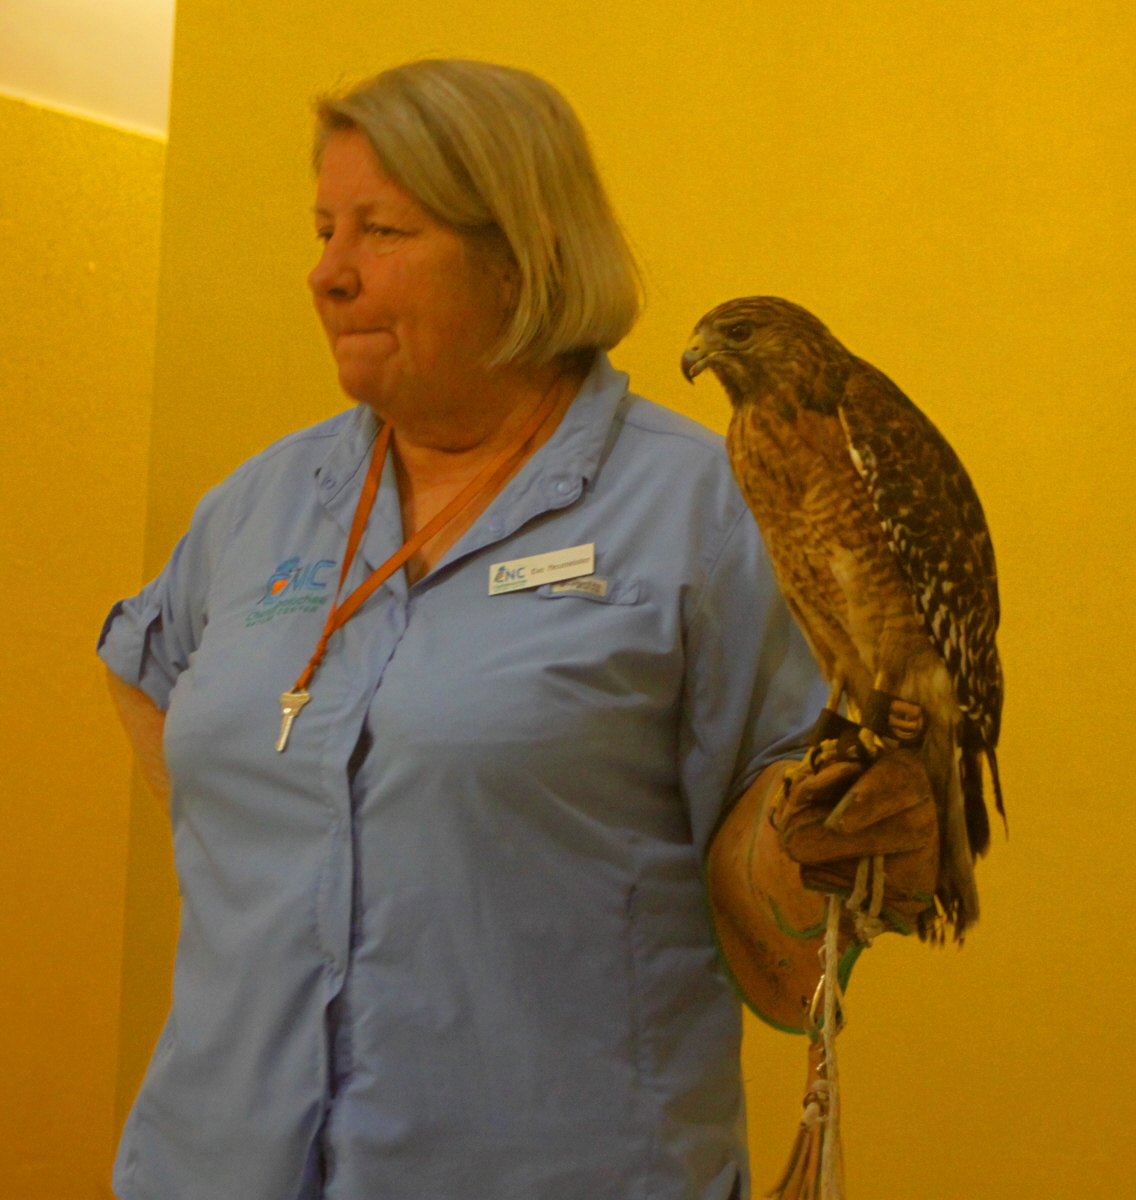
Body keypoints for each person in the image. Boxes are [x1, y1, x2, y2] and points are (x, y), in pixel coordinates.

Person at [100, 59, 937, 1200]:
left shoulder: (700, 509)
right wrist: (268, 860)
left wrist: (824, 860)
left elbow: (784, 902)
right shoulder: (262, 502)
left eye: (381, 232)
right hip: (212, 1166)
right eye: (323, 229)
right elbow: (141, 665)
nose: (327, 275)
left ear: (522, 252)